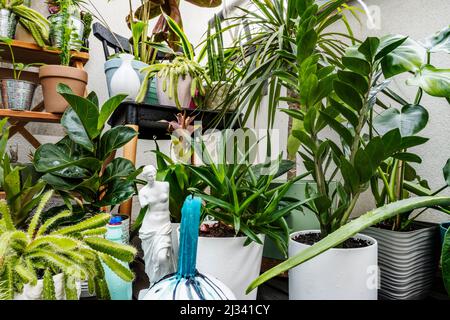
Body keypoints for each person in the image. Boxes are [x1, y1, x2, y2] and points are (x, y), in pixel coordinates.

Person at [138, 165, 175, 288]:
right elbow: (143, 204)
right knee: (152, 259)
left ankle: (166, 281)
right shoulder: (143, 192)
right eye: (149, 175)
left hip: (164, 226)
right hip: (150, 227)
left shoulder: (165, 185)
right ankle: (156, 282)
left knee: (162, 257)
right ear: (145, 177)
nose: (152, 177)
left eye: (153, 174)